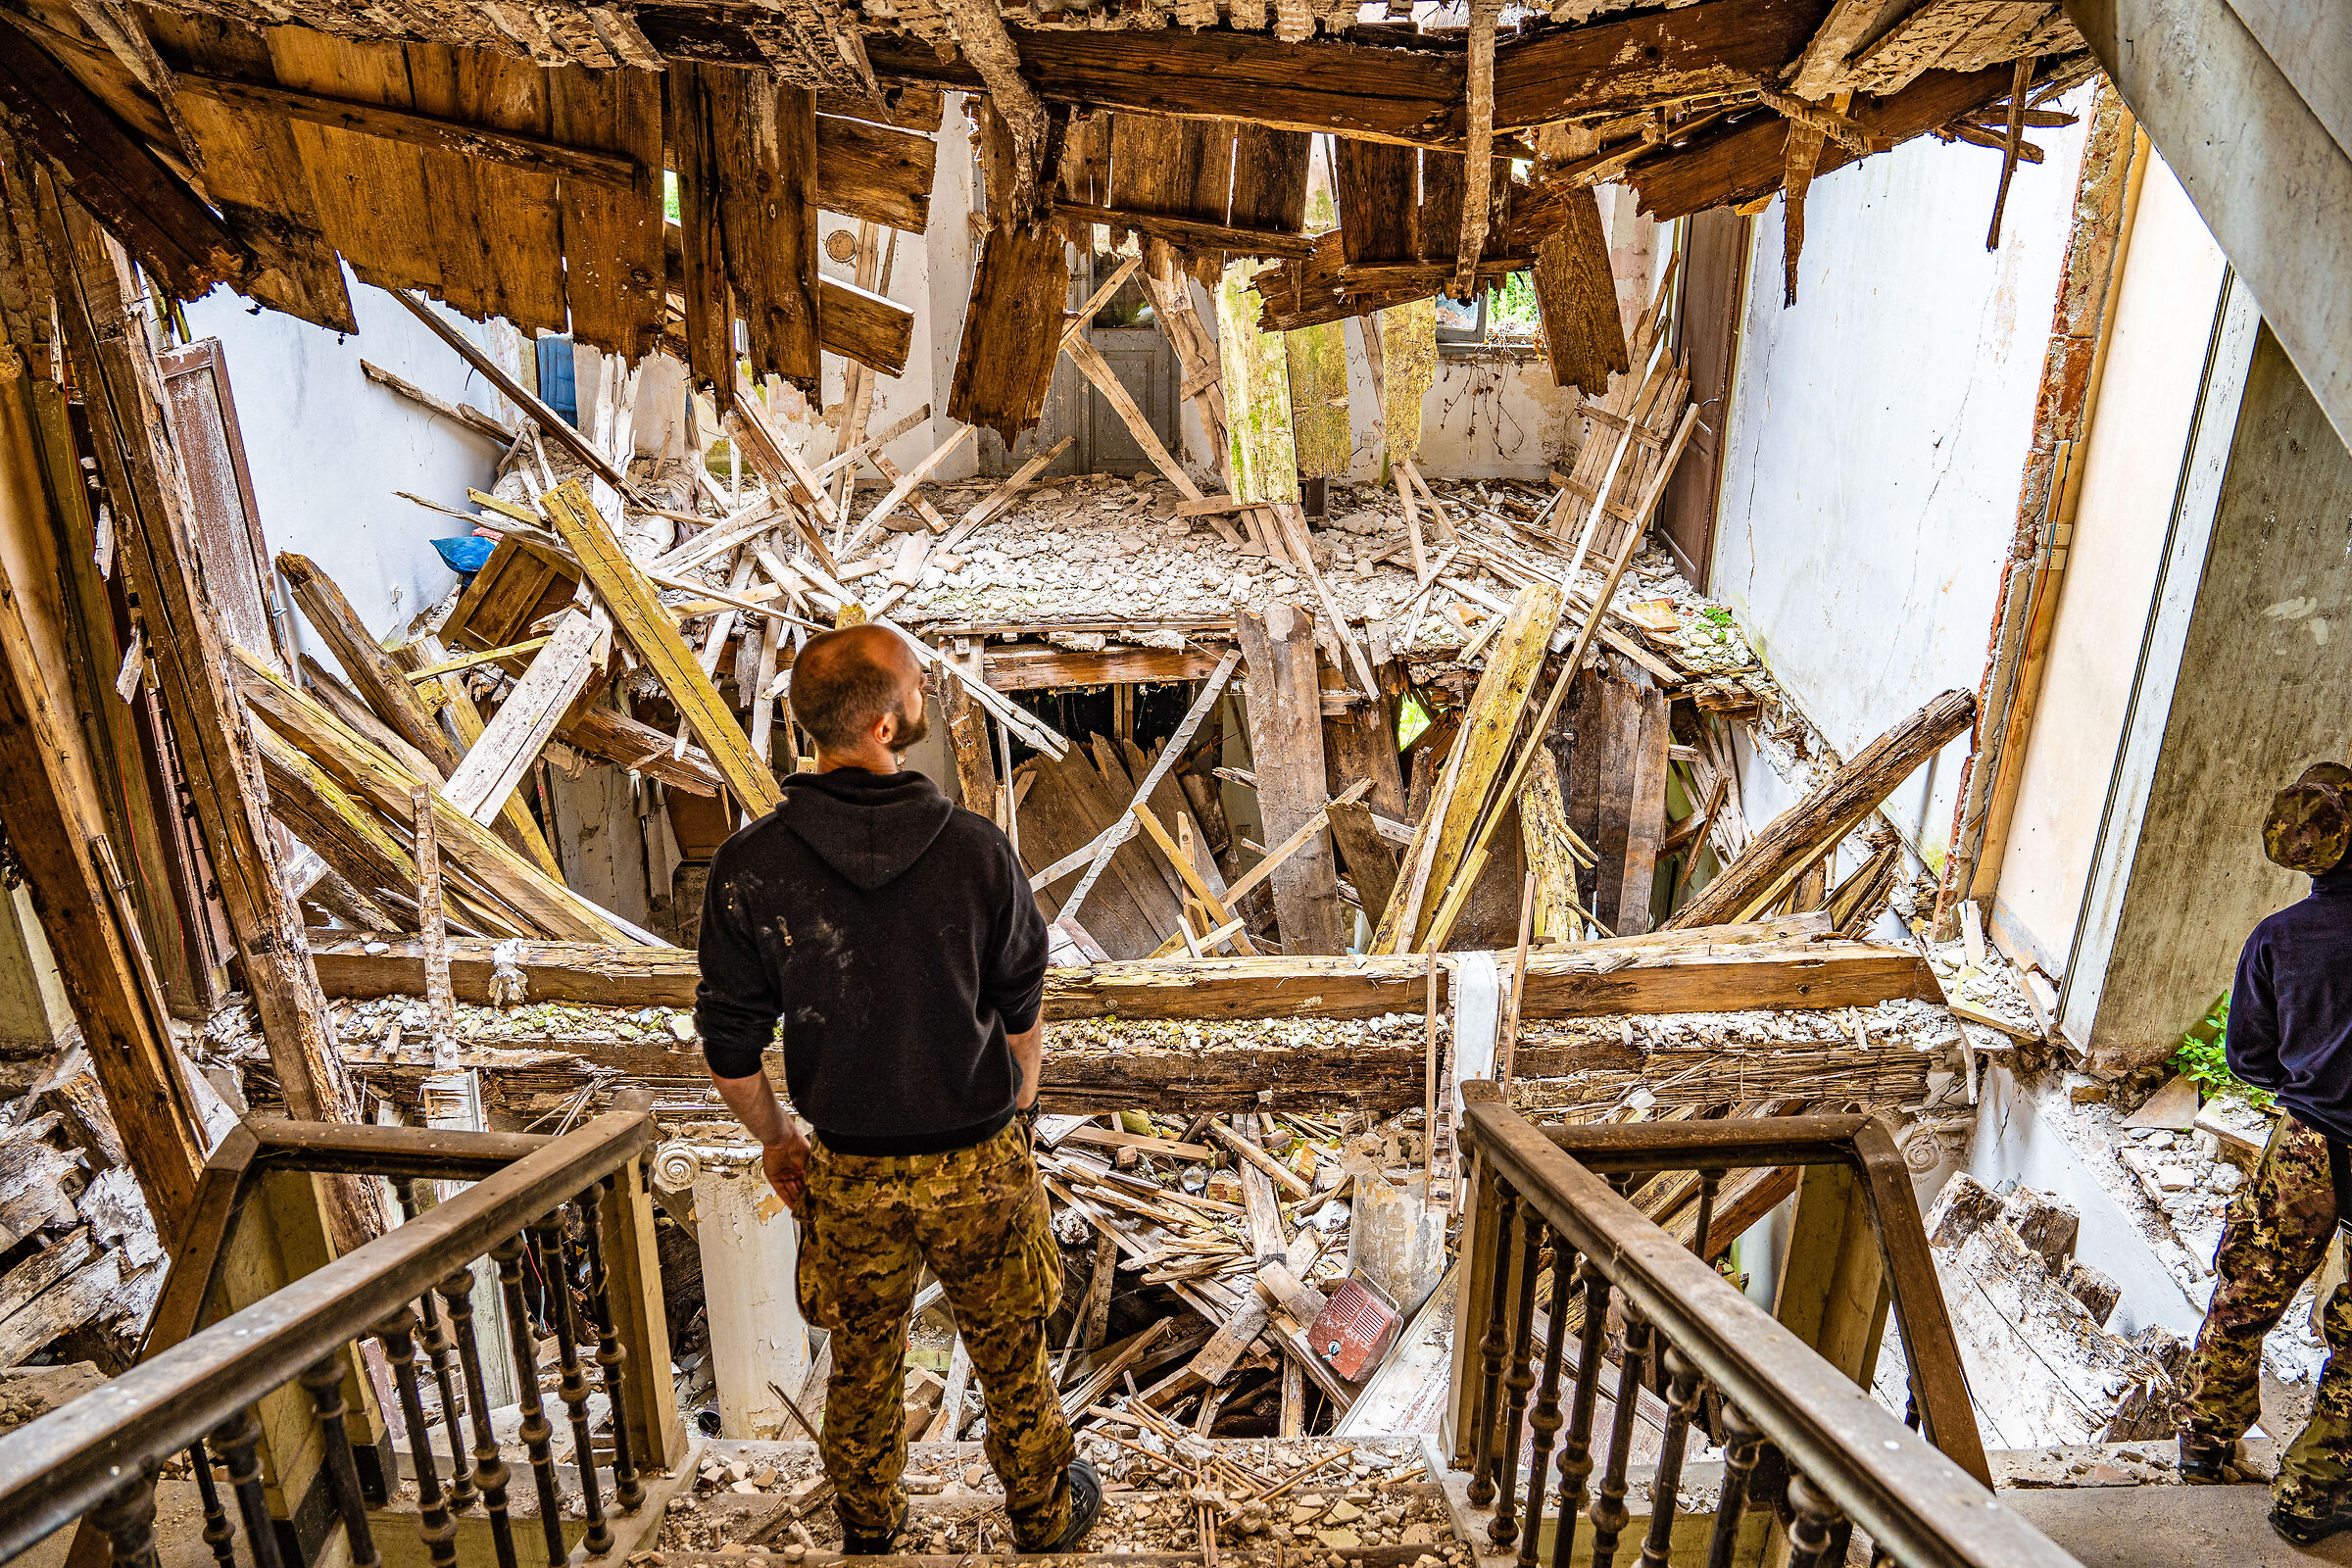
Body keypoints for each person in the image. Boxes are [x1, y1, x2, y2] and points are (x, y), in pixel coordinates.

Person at [696, 621, 1100, 1555]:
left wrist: (777, 1141)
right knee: (1011, 1351)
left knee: (863, 1360)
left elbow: (729, 1045)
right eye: (917, 686)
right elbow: (1021, 1007)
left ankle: (870, 1525)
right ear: (883, 725)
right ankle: (1043, 1515)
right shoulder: (976, 852)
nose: (925, 697)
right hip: (978, 1158)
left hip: (849, 1171)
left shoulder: (750, 868)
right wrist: (1021, 1109)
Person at [2177, 761, 2352, 1545]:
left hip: (2304, 1148)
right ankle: (2314, 1496)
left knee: (2246, 1291)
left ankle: (2205, 1445)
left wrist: (2310, 1081)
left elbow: (2247, 1057)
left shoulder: (2279, 939)